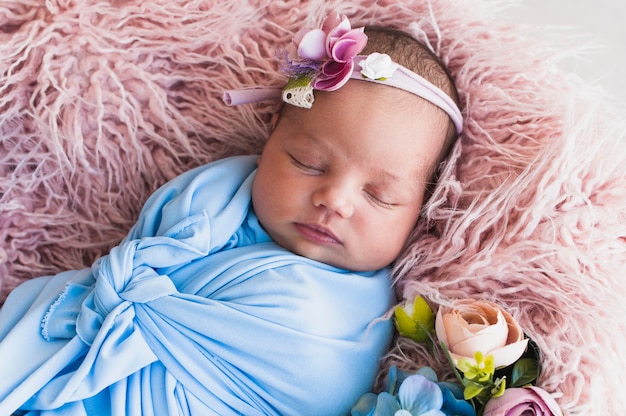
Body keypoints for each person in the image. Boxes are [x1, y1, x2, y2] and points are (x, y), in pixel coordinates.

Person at [0, 13, 462, 416]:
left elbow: (319, 389)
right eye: (307, 162)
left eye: (379, 195)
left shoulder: (364, 319)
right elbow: (138, 256)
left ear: (422, 208)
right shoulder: (214, 196)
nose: (334, 200)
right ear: (271, 135)